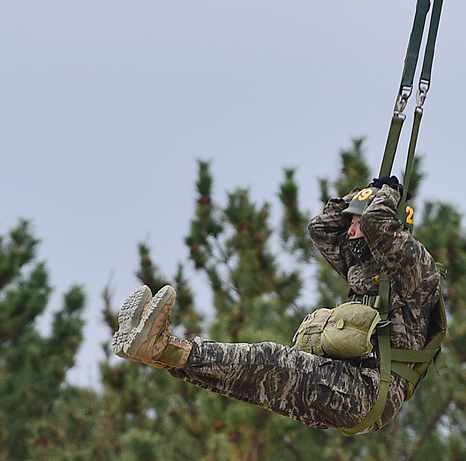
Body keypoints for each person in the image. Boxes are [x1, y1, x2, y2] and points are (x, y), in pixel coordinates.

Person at [111, 177, 443, 434]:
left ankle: (161, 346)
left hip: (367, 394)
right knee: (252, 379)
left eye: (358, 222)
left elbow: (376, 226)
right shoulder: (365, 268)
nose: (351, 230)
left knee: (270, 359)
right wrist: (360, 196)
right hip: (347, 385)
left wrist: (386, 197)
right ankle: (162, 352)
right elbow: (322, 227)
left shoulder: (415, 274)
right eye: (353, 222)